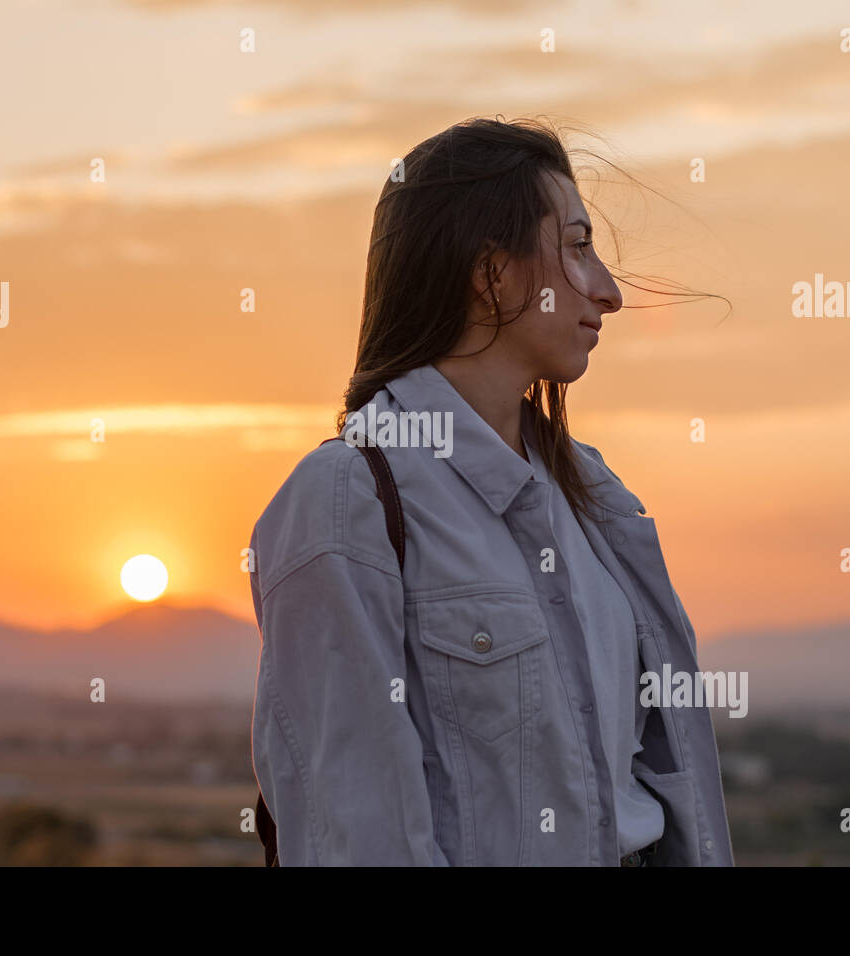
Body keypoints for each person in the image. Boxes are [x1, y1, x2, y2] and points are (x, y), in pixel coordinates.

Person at [247, 116, 733, 866]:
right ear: (491, 274)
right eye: (576, 247)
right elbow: (358, 841)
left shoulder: (596, 499)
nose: (608, 292)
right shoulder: (348, 501)